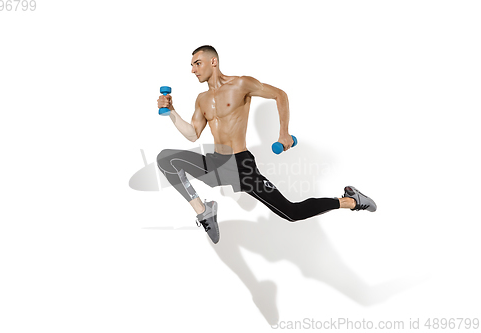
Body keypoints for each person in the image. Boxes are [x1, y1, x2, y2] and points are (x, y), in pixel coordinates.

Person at [156, 45, 376, 244]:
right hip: (216, 162)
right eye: (192, 65)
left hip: (239, 165)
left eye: (197, 63)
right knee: (166, 159)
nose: (193, 70)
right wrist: (172, 111)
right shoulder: (201, 99)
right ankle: (204, 211)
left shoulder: (241, 84)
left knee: (292, 212)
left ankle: (351, 200)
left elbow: (280, 95)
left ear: (213, 61)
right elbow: (193, 134)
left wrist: (284, 133)